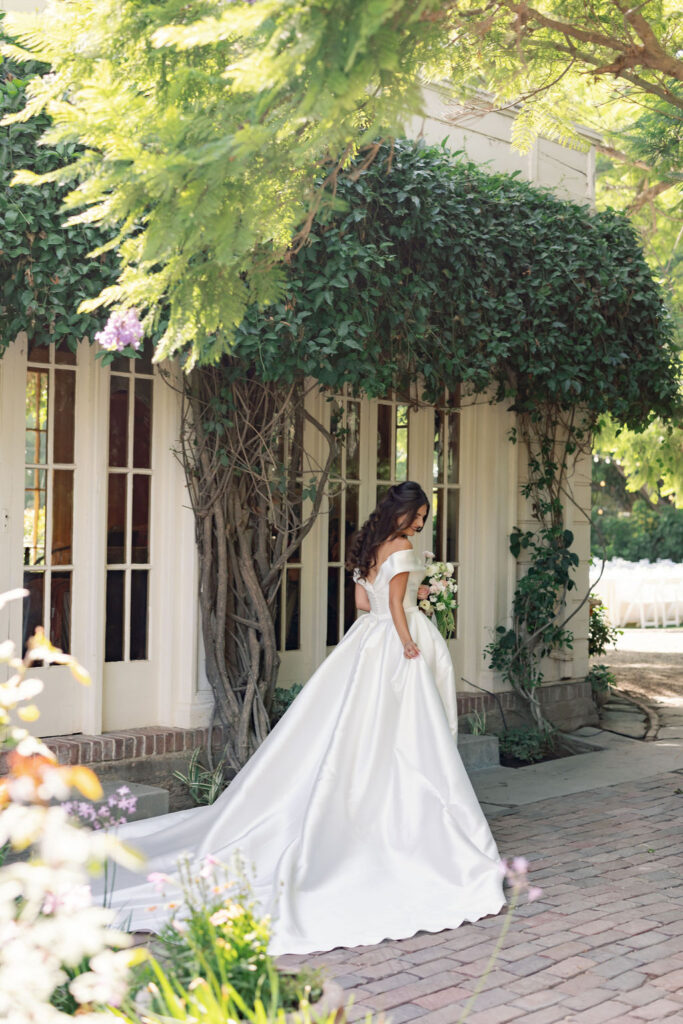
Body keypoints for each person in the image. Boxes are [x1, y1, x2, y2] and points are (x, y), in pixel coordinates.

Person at [102, 481, 506, 955]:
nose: (421, 523)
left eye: (423, 516)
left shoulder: (372, 547)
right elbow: (397, 607)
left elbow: (363, 605)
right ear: (403, 513)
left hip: (364, 642)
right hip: (397, 642)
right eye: (418, 514)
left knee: (353, 727)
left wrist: (392, 620)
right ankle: (403, 820)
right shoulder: (403, 549)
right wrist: (409, 644)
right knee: (409, 735)